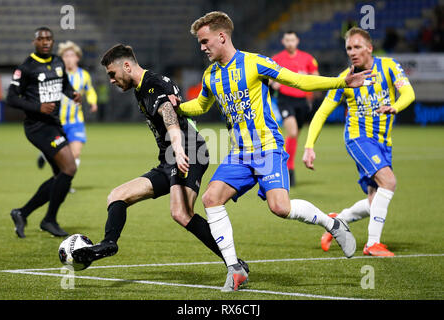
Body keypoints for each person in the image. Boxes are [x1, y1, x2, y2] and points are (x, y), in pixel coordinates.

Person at [176, 11, 374, 291]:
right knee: (210, 199)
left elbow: (299, 81)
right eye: (200, 42)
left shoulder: (255, 63)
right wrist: (177, 107)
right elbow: (201, 106)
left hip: (267, 148)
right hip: (239, 153)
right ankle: (235, 270)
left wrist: (341, 82)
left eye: (205, 40)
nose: (202, 47)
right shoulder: (211, 75)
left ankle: (333, 224)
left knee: (280, 208)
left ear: (222, 36)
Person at [72, 44, 249, 275]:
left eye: (112, 74)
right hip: (169, 158)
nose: (112, 80)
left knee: (181, 213)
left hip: (188, 151)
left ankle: (234, 263)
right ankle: (109, 243)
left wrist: (177, 146)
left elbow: (168, 112)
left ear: (126, 66)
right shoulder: (141, 87)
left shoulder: (152, 84)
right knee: (117, 196)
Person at [302, 27, 415, 257]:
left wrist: (396, 106)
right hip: (358, 138)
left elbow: (409, 94)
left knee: (375, 201)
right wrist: (309, 145)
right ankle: (372, 244)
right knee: (389, 182)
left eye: (357, 47)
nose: (352, 52)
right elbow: (322, 112)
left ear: (369, 48)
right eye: (348, 48)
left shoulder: (389, 66)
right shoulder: (346, 79)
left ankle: (336, 222)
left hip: (383, 141)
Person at [7, 27, 82, 238]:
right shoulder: (26, 67)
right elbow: (11, 98)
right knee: (69, 168)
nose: (46, 42)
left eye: (49, 39)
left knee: (61, 176)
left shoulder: (58, 61)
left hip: (53, 124)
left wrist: (73, 94)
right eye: (42, 39)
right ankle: (49, 220)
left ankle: (22, 212)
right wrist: (38, 107)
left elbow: (64, 85)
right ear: (35, 42)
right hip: (37, 127)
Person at [37, 41, 98, 187]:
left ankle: (64, 183)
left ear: (77, 57)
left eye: (71, 55)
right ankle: (48, 159)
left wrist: (93, 102)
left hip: (76, 121)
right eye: (65, 55)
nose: (69, 58)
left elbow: (89, 90)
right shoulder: (56, 74)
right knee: (60, 156)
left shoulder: (84, 75)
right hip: (57, 121)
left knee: (74, 154)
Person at [271, 30, 320, 186]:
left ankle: (288, 167)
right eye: (287, 40)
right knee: (291, 132)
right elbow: (269, 78)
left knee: (294, 136)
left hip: (302, 101)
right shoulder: (276, 59)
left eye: (292, 40)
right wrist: (274, 83)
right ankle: (288, 168)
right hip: (285, 100)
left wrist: (311, 83)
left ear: (297, 41)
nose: (290, 43)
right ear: (283, 42)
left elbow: (316, 77)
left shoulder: (308, 58)